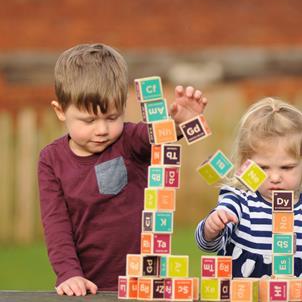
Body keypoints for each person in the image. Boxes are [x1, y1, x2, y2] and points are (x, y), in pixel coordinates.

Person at [38, 43, 207, 296]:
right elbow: (56, 224)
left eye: (112, 117)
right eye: (89, 120)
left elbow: (157, 136)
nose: (102, 130)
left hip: (146, 282)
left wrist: (181, 122)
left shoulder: (128, 140)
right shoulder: (51, 161)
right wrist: (69, 273)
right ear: (60, 111)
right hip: (89, 287)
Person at [195, 97, 302, 279]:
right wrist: (211, 229)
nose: (275, 178)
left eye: (287, 167)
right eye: (263, 168)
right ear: (246, 165)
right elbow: (208, 245)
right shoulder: (238, 200)